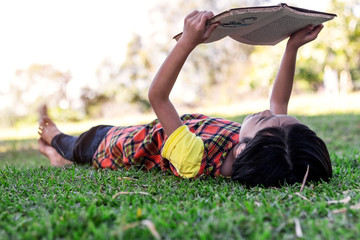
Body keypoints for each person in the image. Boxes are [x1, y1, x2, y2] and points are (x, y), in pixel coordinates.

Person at [38, 10, 332, 187]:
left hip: (113, 145)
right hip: (143, 131)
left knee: (75, 144)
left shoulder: (195, 159)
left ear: (243, 151)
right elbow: (278, 105)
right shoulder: (262, 148)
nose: (268, 111)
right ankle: (57, 157)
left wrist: (188, 43)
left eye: (267, 120)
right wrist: (292, 48)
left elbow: (158, 96)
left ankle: (53, 141)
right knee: (72, 153)